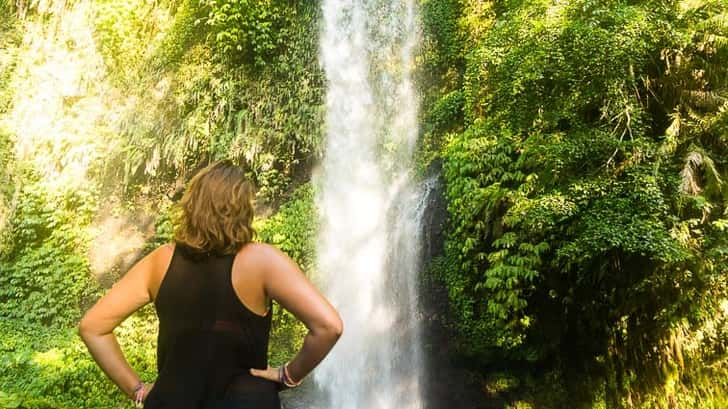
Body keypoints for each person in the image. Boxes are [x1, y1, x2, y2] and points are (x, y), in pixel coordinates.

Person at [78, 160, 343, 409]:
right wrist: (289, 375)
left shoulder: (160, 261)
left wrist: (137, 389)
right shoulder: (263, 262)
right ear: (243, 208)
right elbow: (328, 326)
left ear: (192, 205)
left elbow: (93, 327)